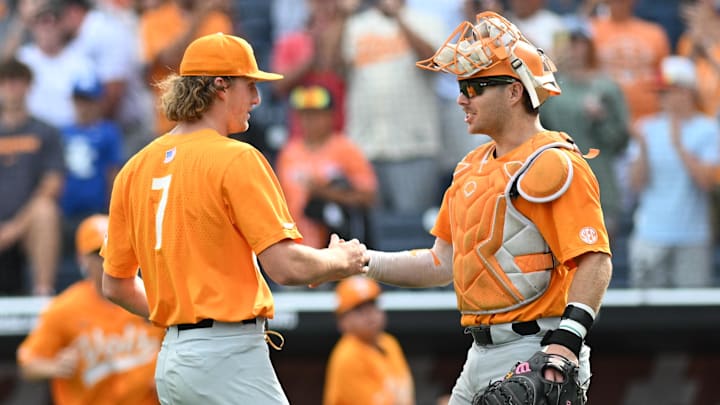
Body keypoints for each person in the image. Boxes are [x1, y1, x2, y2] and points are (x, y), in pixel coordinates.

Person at [100, 33, 369, 404]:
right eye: (251, 86)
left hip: (172, 360)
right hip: (227, 357)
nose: (257, 99)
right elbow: (287, 266)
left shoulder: (133, 168)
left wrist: (182, 315)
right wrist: (342, 259)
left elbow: (115, 285)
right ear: (220, 86)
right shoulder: (236, 157)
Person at [364, 12, 613, 404]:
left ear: (514, 92)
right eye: (462, 86)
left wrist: (566, 343)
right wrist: (364, 261)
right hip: (478, 353)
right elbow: (440, 263)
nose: (462, 98)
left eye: (475, 87)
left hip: (536, 349)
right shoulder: (469, 165)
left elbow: (595, 260)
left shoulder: (553, 161)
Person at [16, 214, 164, 405]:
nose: (106, 259)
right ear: (81, 259)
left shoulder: (151, 298)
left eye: (112, 250)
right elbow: (27, 365)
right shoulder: (65, 308)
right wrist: (54, 366)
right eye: (97, 253)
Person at [627, 55, 720, 288]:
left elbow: (707, 183)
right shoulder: (646, 128)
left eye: (667, 91)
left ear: (686, 92)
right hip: (650, 235)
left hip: (692, 237)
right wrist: (644, 150)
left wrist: (679, 145)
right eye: (660, 92)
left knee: (691, 317)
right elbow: (636, 185)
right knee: (646, 315)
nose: (662, 98)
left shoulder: (707, 129)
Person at [540, 19, 630, 238]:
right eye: (568, 42)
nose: (574, 49)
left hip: (601, 185)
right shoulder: (550, 87)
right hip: (560, 186)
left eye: (580, 43)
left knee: (602, 258)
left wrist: (602, 118)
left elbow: (621, 141)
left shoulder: (606, 86)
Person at [276, 84, 377, 250]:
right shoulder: (288, 153)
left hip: (334, 244)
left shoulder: (346, 148)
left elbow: (369, 196)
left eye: (315, 114)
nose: (309, 121)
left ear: (330, 116)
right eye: (304, 114)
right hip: (295, 246)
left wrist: (324, 193)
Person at [0, 57, 64, 296]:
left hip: (27, 225)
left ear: (28, 85)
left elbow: (52, 185)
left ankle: (42, 293)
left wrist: (15, 227)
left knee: (46, 211)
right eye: (5, 81)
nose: (11, 88)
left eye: (16, 81)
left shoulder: (45, 132)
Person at [323, 276, 414, 405]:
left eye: (372, 305)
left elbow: (407, 397)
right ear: (342, 321)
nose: (369, 314)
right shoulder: (347, 356)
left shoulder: (389, 343)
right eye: (359, 309)